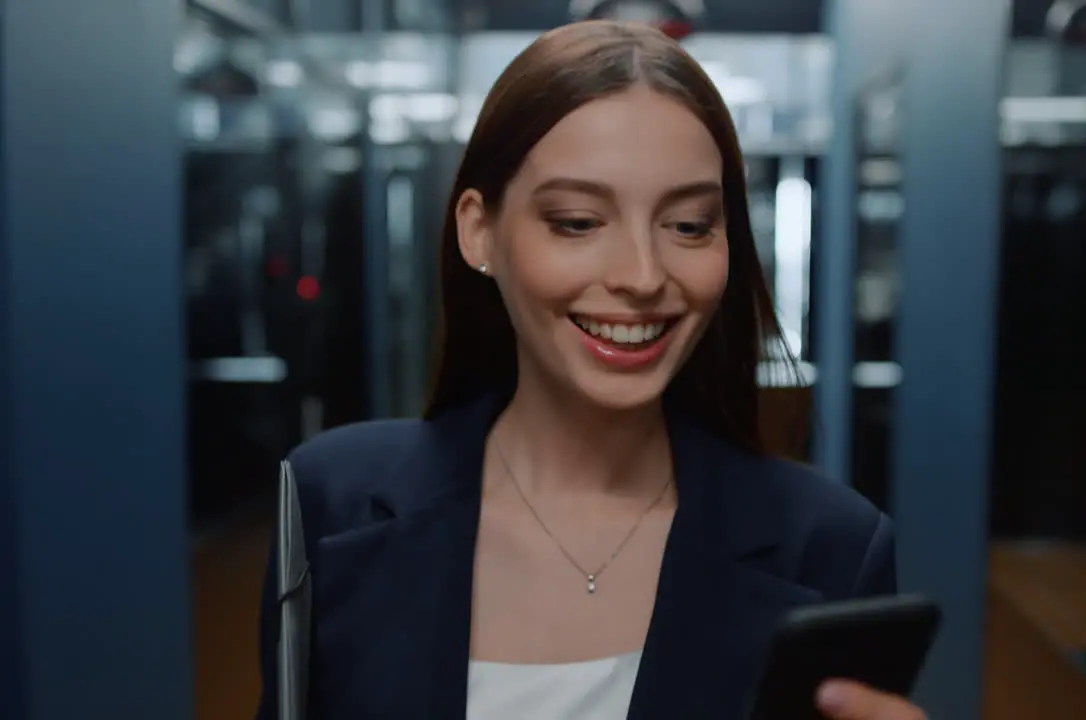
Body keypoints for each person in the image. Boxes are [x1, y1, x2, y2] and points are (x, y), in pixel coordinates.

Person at [256, 19, 926, 720]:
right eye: (577, 221)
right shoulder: (331, 501)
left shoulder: (830, 547)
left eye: (690, 225)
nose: (642, 275)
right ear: (478, 229)